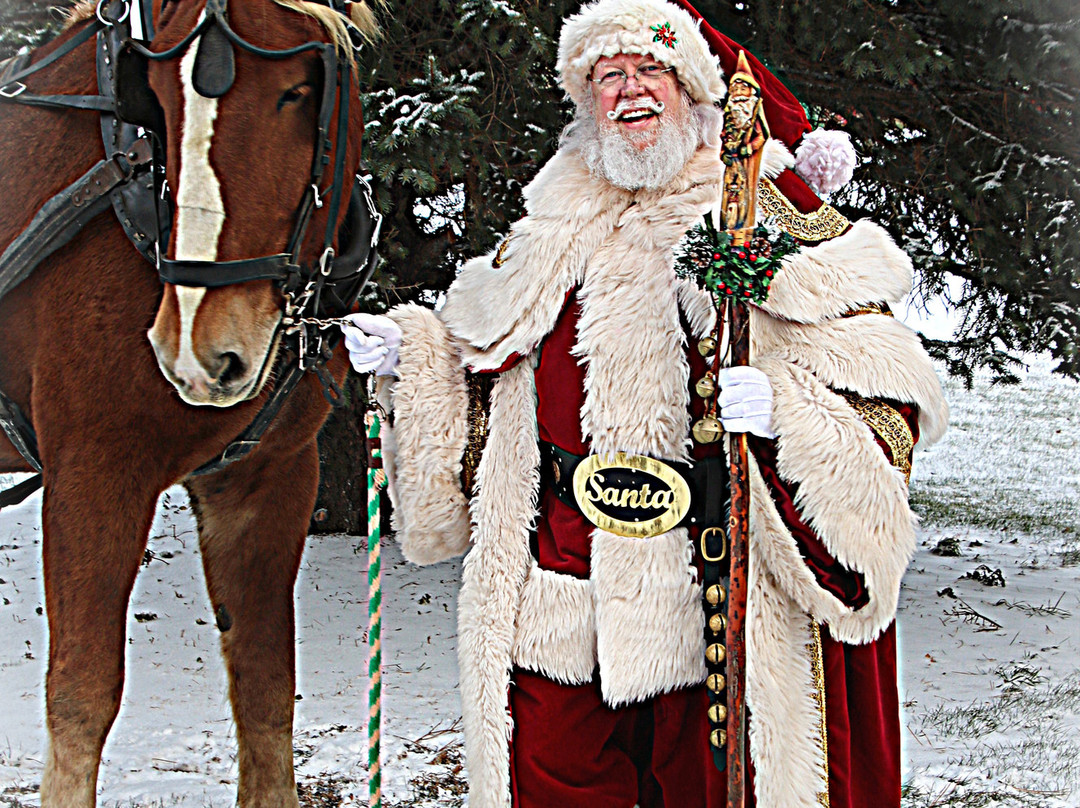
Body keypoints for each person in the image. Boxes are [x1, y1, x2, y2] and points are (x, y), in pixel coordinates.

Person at [343, 1, 948, 806]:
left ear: (692, 86)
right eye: (606, 75)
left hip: (707, 588)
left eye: (648, 71)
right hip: (563, 576)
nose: (628, 92)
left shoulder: (763, 214)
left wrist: (786, 417)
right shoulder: (555, 219)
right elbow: (493, 384)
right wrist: (414, 359)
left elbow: (889, 399)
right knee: (551, 781)